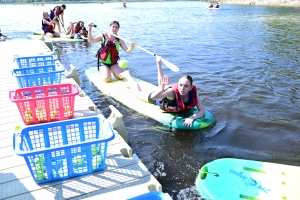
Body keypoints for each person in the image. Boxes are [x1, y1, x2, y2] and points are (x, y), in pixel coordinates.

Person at [119, 56, 205, 127]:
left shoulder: (193, 92)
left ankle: (159, 66)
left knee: (161, 85)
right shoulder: (172, 92)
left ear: (190, 87)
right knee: (138, 93)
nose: (182, 88)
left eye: (186, 86)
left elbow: (202, 110)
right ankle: (128, 75)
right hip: (157, 99)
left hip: (163, 93)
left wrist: (192, 117)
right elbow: (154, 97)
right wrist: (161, 90)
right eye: (180, 85)